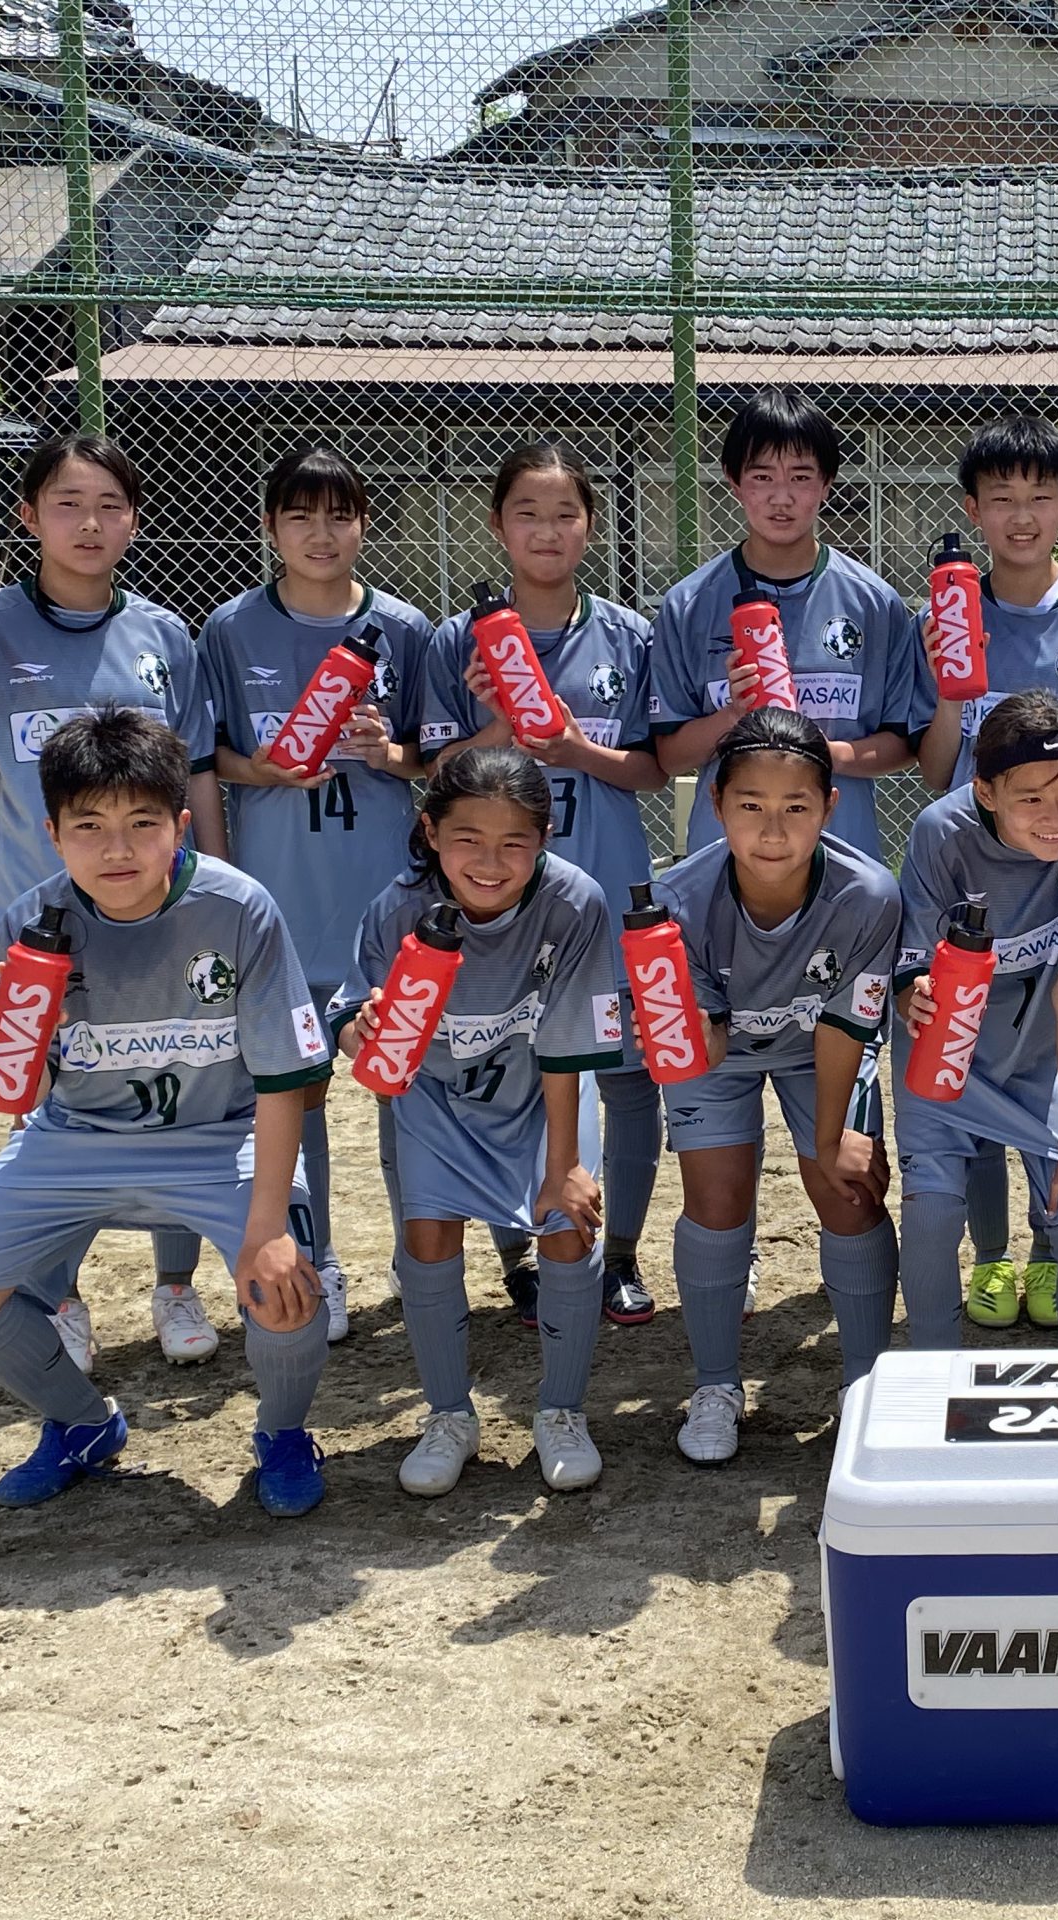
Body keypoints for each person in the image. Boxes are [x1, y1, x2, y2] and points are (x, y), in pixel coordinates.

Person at [0, 707, 332, 1514]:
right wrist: (15, 1048)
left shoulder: (238, 908)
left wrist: (267, 1225)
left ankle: (283, 1433)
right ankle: (80, 1424)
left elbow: (286, 1079)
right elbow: (29, 1097)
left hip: (217, 1136)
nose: (117, 848)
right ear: (52, 832)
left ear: (180, 824)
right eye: (89, 826)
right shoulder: (29, 921)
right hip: (78, 1136)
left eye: (143, 823)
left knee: (286, 1284)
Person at [0, 433, 225, 1375]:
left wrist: (223, 891)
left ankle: (175, 1285)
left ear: (134, 517)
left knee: (179, 1078)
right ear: (28, 516)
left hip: (162, 908)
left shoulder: (165, 637)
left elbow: (197, 781)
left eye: (110, 504)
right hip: (37, 917)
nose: (90, 523)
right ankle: (59, 1296)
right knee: (49, 1098)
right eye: (68, 504)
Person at [420, 439, 669, 1329]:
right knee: (505, 1073)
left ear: (591, 526)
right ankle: (523, 1253)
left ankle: (622, 1255)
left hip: (607, 893)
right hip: (498, 900)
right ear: (496, 525)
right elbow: (435, 777)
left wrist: (571, 750)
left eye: (565, 513)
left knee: (630, 1078)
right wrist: (495, 718)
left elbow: (653, 769)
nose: (547, 529)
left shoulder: (630, 637)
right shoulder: (457, 639)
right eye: (526, 512)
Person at [331, 749, 619, 1497]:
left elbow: (566, 1047)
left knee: (565, 1224)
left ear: (545, 838)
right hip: (436, 1099)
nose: (490, 861)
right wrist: (358, 1032)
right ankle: (449, 1415)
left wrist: (565, 1165)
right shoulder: (398, 909)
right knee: (427, 1240)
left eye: (513, 843)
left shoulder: (575, 903)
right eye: (467, 839)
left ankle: (561, 1411)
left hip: (540, 1094)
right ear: (429, 832)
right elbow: (354, 1018)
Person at [908, 412, 1058, 1332]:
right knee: (964, 1049)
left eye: (1040, 496)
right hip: (982, 875)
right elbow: (938, 769)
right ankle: (992, 1261)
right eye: (1000, 498)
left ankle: (1050, 1256)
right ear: (972, 508)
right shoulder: (947, 612)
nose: (1022, 514)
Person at [202, 441, 431, 1342]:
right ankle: (318, 1259)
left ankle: (422, 1256)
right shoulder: (229, 629)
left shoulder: (406, 630)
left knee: (402, 1079)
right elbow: (204, 757)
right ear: (271, 527)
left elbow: (439, 756)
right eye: (300, 515)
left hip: (379, 899)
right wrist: (259, 770)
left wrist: (393, 755)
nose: (321, 533)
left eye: (339, 514)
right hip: (280, 905)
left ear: (364, 523)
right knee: (295, 1096)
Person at [655, 708, 904, 1465]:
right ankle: (717, 1384)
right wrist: (680, 1030)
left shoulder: (867, 894)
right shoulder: (676, 901)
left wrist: (832, 1141)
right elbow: (705, 1040)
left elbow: (842, 1030)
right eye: (749, 807)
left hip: (819, 1049)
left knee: (849, 1186)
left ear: (829, 809)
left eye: (796, 808)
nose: (773, 830)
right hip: (725, 1053)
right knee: (716, 1198)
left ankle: (864, 1385)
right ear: (716, 805)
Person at [896, 692, 1058, 1347]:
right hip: (955, 1043)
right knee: (933, 1212)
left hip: (1047, 1042)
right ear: (987, 792)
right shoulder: (942, 832)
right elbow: (912, 971)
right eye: (1031, 797)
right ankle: (930, 1376)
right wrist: (910, 991)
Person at [651, 386, 927, 863]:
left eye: (801, 477)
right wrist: (733, 716)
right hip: (724, 859)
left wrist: (824, 752)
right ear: (734, 482)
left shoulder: (874, 602)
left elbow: (903, 744)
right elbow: (669, 757)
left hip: (843, 857)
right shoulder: (688, 605)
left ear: (827, 483)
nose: (782, 497)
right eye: (762, 476)